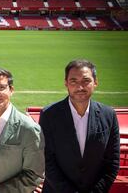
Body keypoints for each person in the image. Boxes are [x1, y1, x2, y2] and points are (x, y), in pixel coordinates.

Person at [39, 59, 120, 193]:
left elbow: (112, 161)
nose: (80, 87)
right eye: (74, 81)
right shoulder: (49, 114)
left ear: (95, 82)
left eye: (86, 81)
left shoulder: (108, 115)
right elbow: (45, 160)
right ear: (66, 83)